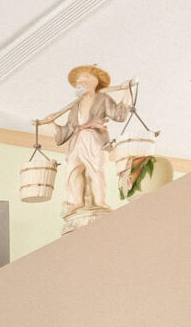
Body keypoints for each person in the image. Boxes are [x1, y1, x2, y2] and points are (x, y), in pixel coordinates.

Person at [36, 64, 137, 228]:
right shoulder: (75, 106)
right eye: (79, 81)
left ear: (96, 82)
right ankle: (75, 203)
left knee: (95, 169)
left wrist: (127, 93)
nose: (81, 82)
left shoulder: (102, 99)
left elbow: (118, 114)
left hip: (93, 137)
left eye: (86, 78)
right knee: (73, 171)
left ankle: (100, 202)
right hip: (76, 140)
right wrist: (52, 123)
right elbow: (68, 129)